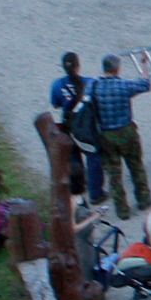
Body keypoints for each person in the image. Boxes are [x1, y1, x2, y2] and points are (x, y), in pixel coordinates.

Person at [90, 53, 151, 216]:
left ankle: (122, 209)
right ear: (117, 69)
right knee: (136, 165)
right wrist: (144, 65)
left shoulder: (94, 87)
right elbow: (145, 84)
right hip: (127, 131)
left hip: (106, 135)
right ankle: (143, 199)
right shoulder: (123, 86)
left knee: (113, 173)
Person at [49, 53, 107, 205]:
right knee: (93, 158)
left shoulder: (57, 85)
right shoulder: (90, 83)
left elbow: (55, 104)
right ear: (78, 65)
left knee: (74, 158)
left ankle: (79, 187)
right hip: (87, 128)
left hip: (68, 127)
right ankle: (96, 193)